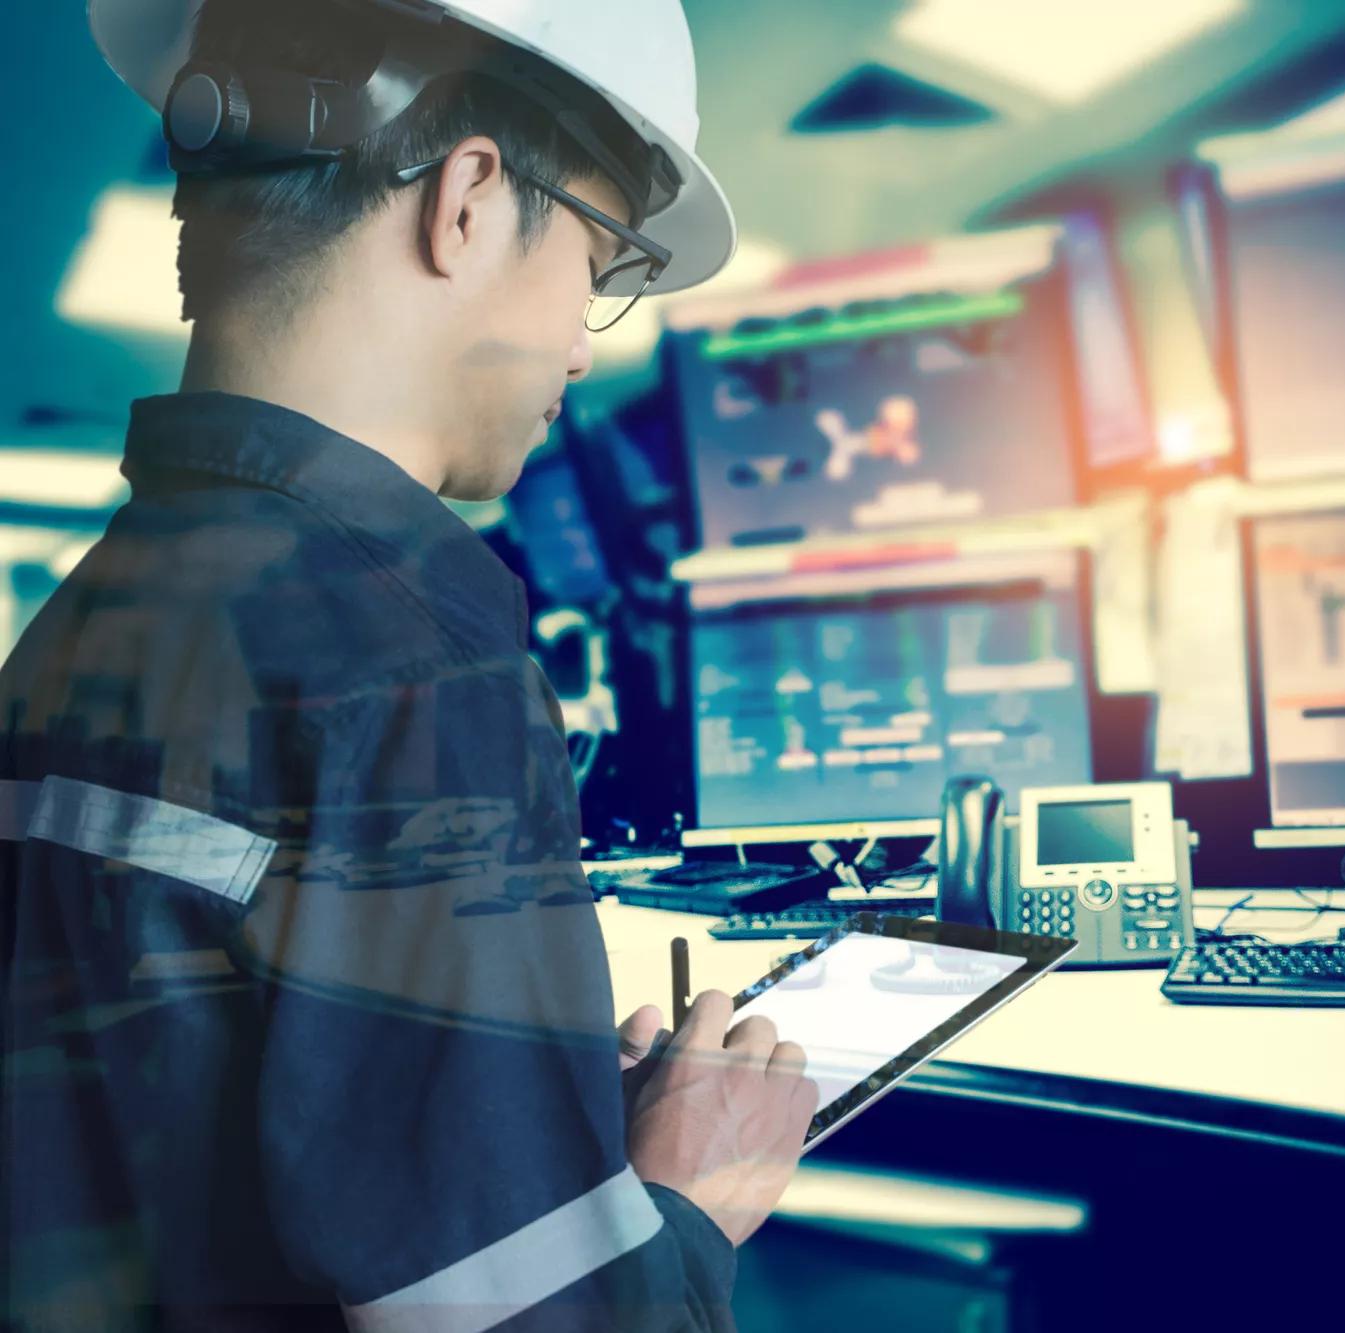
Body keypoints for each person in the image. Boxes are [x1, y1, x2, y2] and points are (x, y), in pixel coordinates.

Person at [0, 1, 813, 1327]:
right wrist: (683, 1202)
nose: (580, 343)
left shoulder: (80, 626)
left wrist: (530, 1133)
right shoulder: (414, 662)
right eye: (597, 263)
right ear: (471, 201)